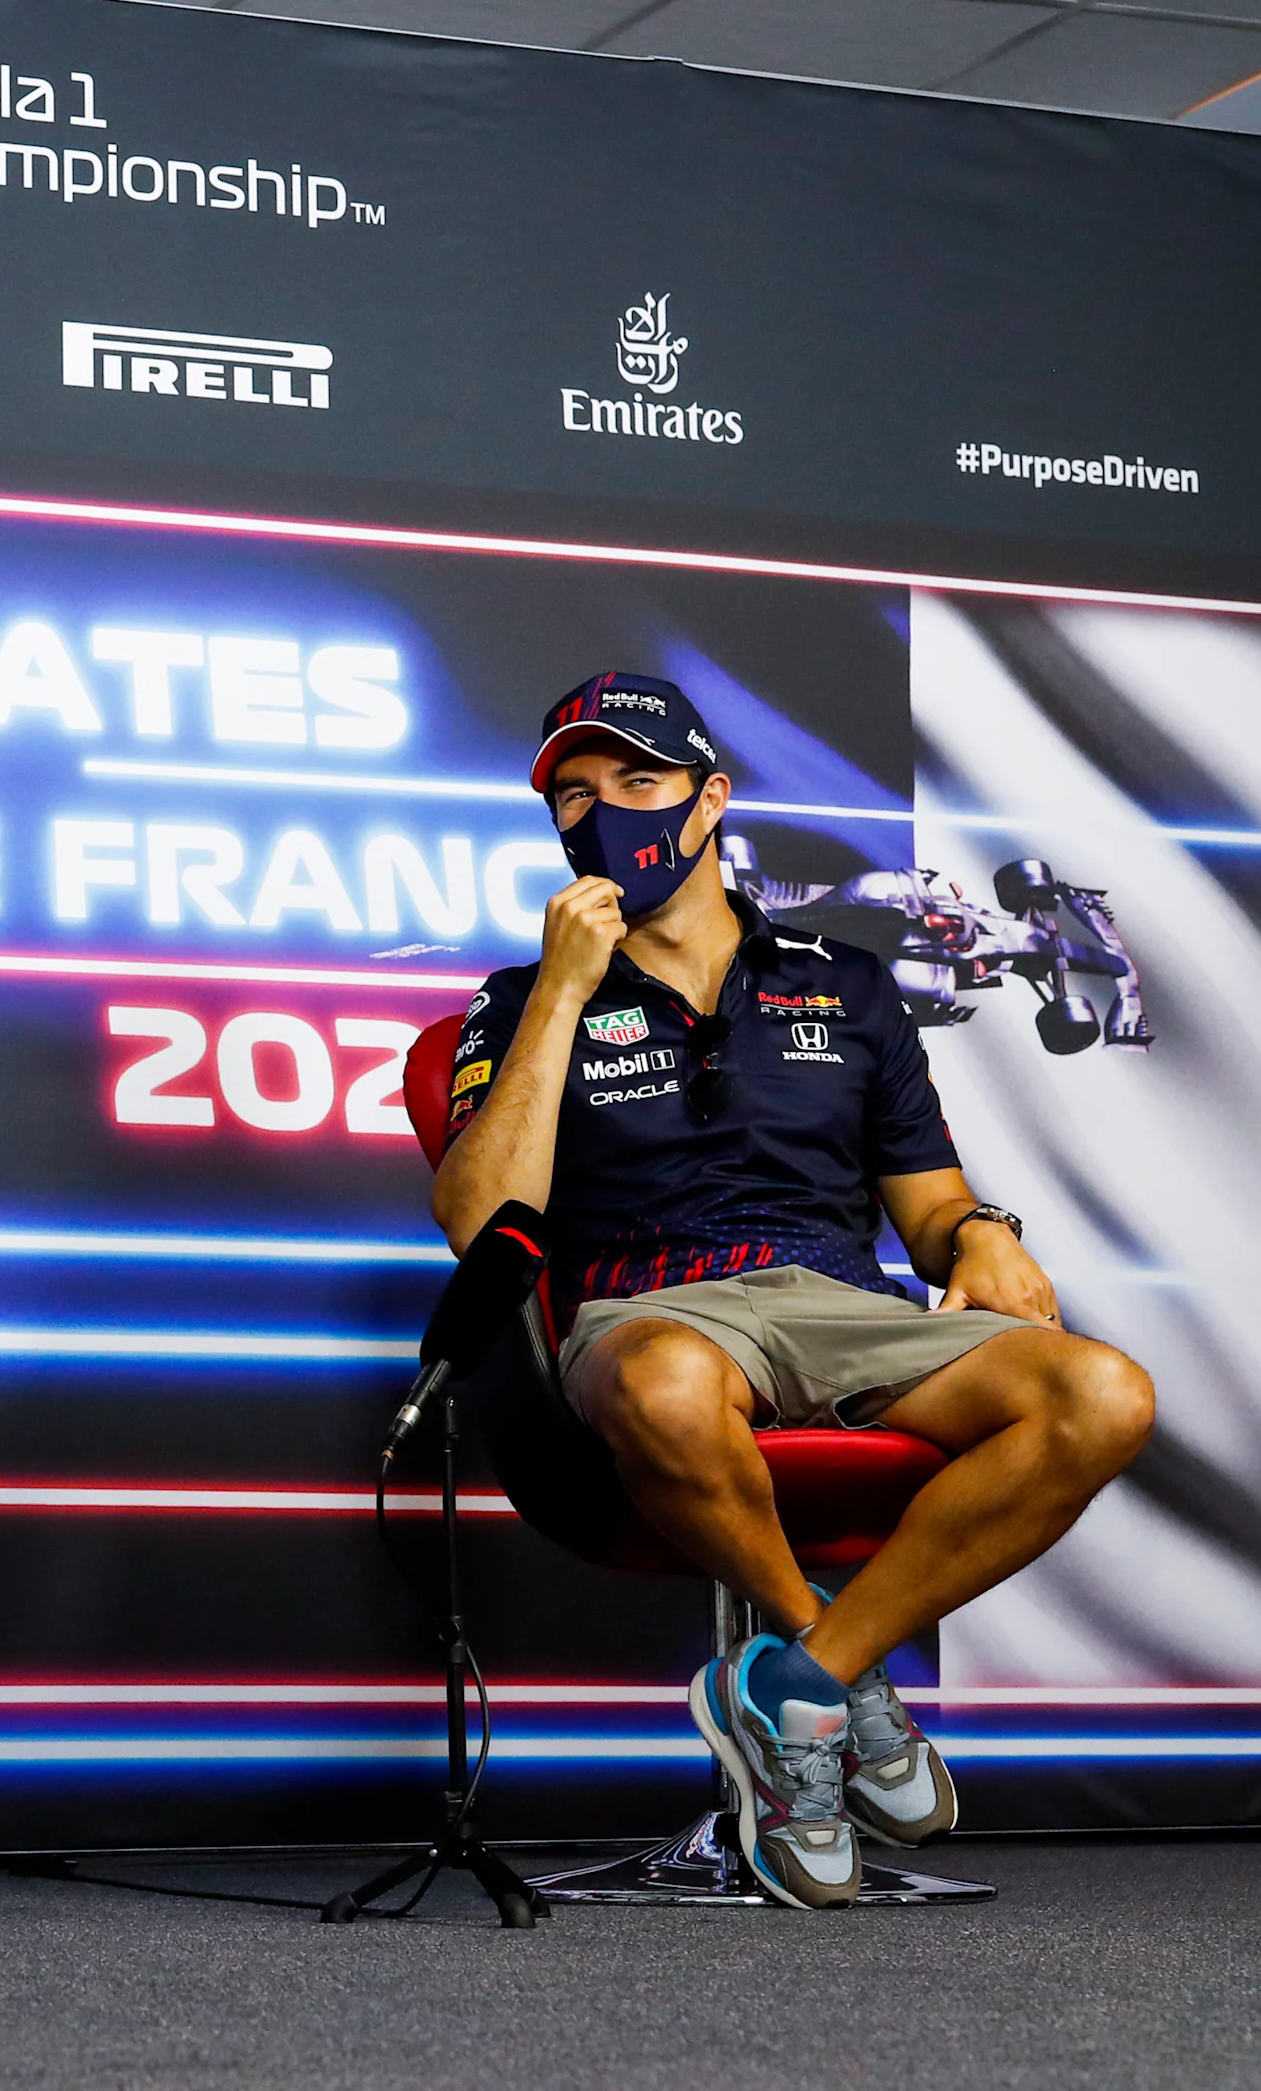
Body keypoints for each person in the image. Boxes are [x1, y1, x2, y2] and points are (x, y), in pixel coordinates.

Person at [431, 671, 1156, 1908]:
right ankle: (831, 1685)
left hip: (840, 1303)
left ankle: (798, 1681)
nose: (602, 812)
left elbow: (925, 1203)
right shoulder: (512, 1002)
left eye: (637, 783)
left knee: (1101, 1391)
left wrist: (980, 1232)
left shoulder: (846, 982)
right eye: (573, 794)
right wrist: (560, 984)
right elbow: (477, 1217)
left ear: (710, 800)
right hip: (646, 1309)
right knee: (664, 1380)